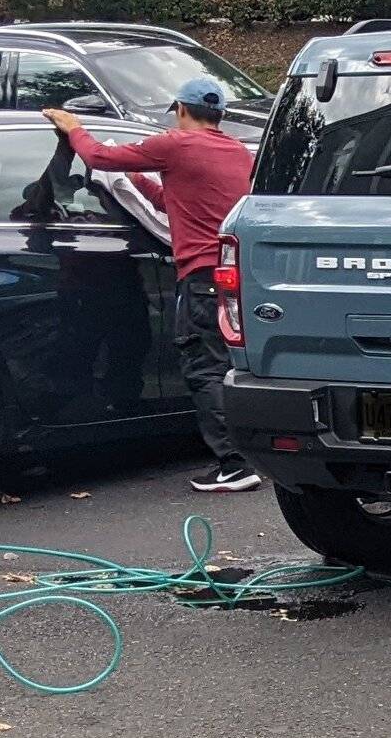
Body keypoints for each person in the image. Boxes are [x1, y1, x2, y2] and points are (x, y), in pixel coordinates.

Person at [45, 76, 259, 493]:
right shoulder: (236, 152)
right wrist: (135, 183)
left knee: (203, 365)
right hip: (238, 275)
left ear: (181, 110)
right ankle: (252, 455)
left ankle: (233, 464)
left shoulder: (176, 145)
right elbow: (175, 200)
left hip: (201, 277)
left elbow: (100, 156)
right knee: (233, 365)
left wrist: (73, 129)